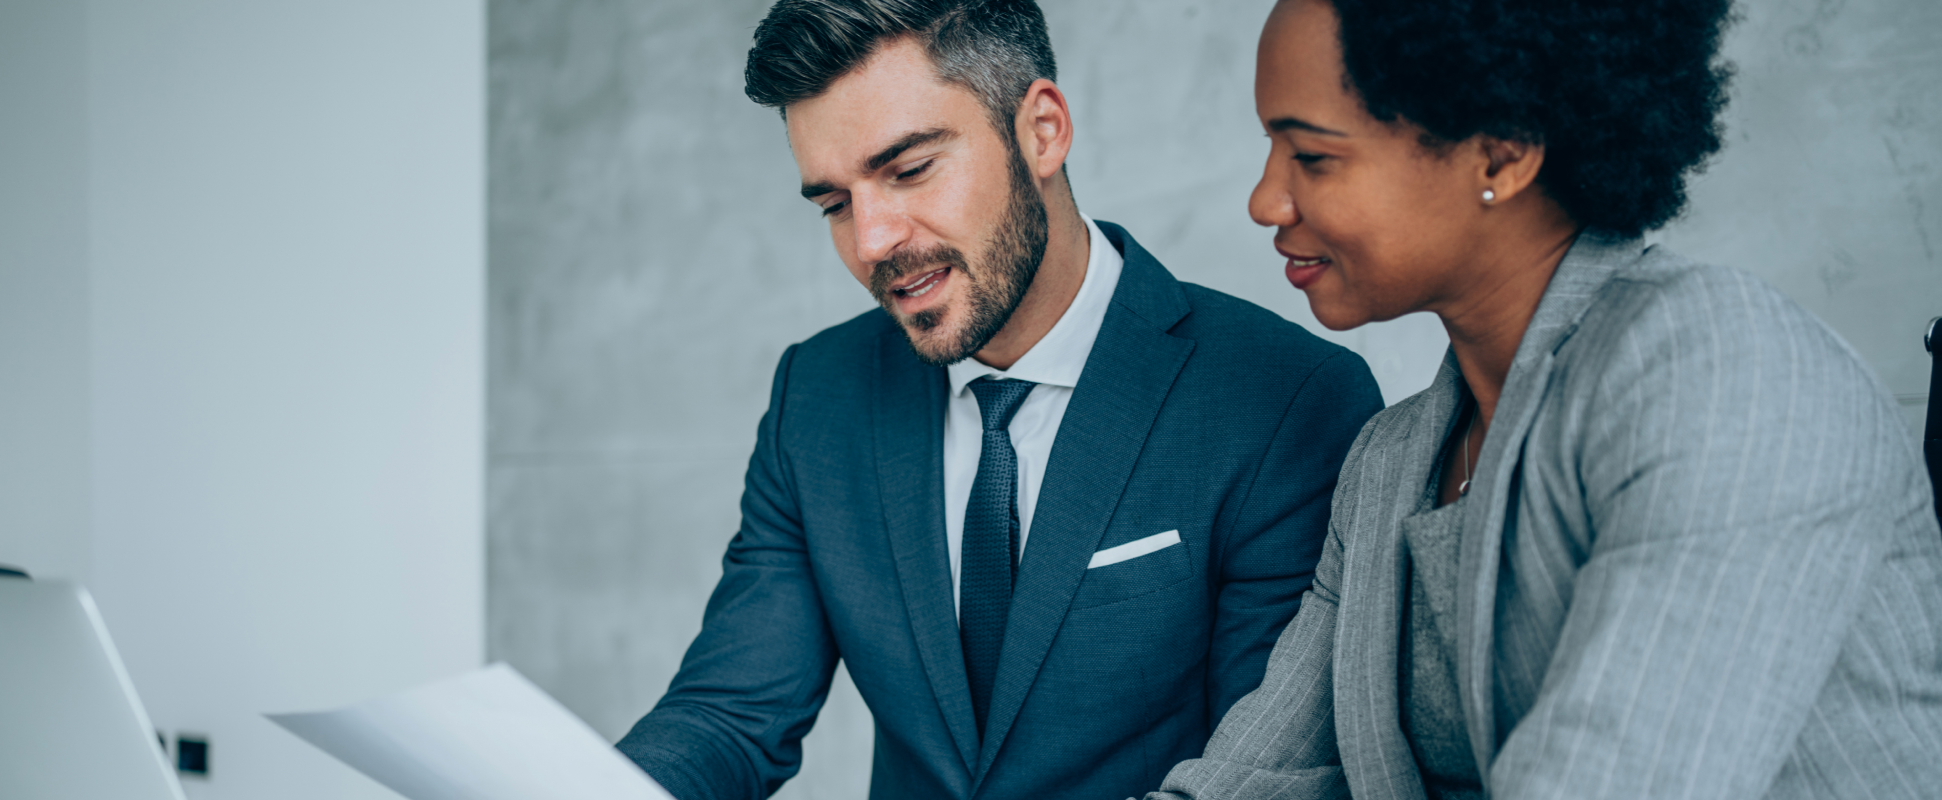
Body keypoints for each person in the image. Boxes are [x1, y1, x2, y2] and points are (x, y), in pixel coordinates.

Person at [1145, 0, 1942, 798]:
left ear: (1500, 156)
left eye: (1312, 157)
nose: (1265, 201)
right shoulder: (1390, 461)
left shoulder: (1731, 373)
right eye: (1271, 149)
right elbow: (1251, 778)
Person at [614, 2, 1384, 799]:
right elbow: (727, 715)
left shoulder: (1282, 399)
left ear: (1042, 131)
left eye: (910, 170)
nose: (873, 239)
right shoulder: (816, 398)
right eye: (835, 205)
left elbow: (1260, 772)